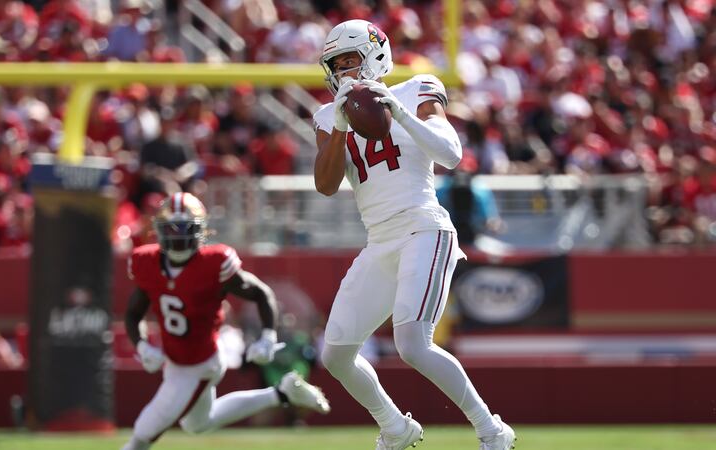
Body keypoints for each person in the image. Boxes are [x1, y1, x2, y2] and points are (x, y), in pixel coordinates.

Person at [312, 20, 516, 450]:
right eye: (337, 64)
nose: (346, 72)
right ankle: (394, 426)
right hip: (378, 239)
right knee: (335, 354)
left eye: (351, 60)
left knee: (412, 344)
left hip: (423, 226)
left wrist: (398, 110)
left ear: (375, 55)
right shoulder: (327, 115)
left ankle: (491, 430)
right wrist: (341, 125)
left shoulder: (416, 87)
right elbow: (328, 185)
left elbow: (452, 155)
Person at [120, 192, 330, 450]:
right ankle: (283, 393)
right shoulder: (146, 262)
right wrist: (141, 345)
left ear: (200, 230)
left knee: (144, 431)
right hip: (176, 360)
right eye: (171, 229)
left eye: (185, 228)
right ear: (159, 231)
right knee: (197, 424)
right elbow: (133, 313)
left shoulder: (214, 263)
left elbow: (261, 294)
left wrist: (267, 336)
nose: (178, 236)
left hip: (201, 362)